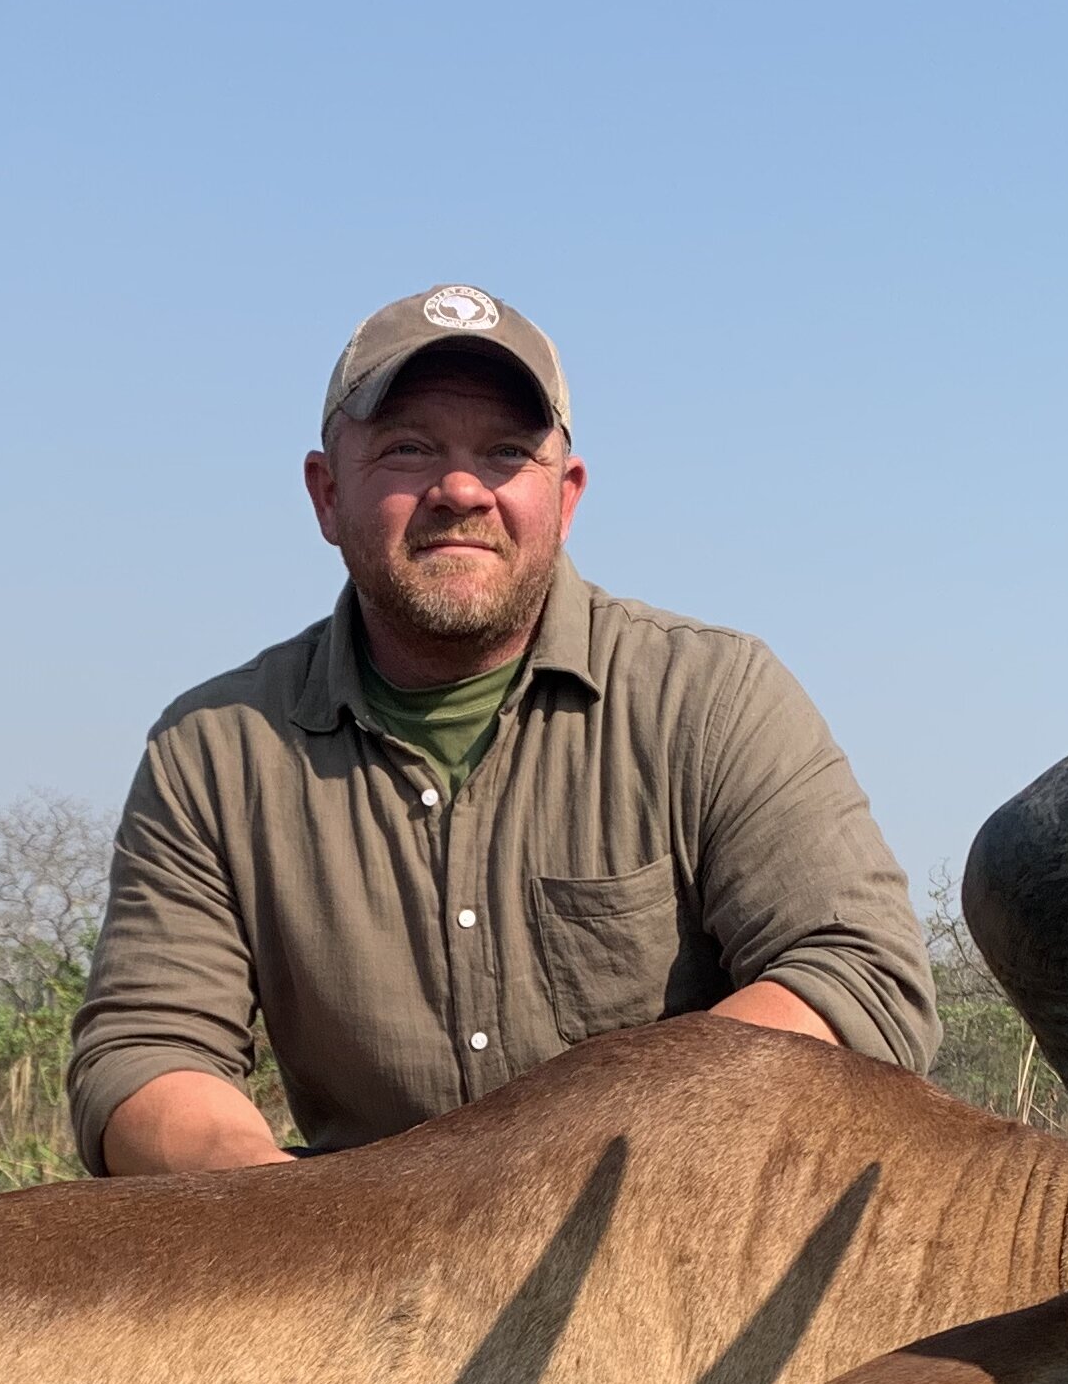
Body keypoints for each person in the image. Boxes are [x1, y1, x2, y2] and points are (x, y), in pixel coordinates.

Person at [67, 285, 936, 1176]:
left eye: (506, 454)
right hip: (360, 1273)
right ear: (326, 496)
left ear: (565, 497)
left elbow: (860, 974)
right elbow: (143, 1054)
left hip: (678, 1252)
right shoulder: (211, 751)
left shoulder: (713, 696)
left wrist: (560, 1175)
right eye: (408, 449)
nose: (459, 490)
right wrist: (301, 1228)